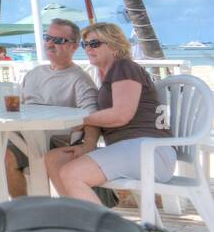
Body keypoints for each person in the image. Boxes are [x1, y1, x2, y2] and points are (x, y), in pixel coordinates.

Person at [0, 19, 98, 209]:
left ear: (73, 47)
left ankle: (27, 216)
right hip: (15, 132)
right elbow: (18, 106)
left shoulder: (80, 80)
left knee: (6, 157)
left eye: (58, 40)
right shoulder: (34, 73)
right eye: (48, 38)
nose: (50, 43)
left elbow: (94, 118)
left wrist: (89, 145)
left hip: (46, 140)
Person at [45, 22, 176, 204]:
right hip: (132, 150)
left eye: (95, 44)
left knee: (72, 173)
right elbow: (101, 119)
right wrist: (88, 144)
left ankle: (103, 229)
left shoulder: (123, 67)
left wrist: (78, 119)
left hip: (149, 151)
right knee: (55, 159)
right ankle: (79, 218)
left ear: (114, 46)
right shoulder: (108, 76)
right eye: (85, 45)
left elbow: (120, 115)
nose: (88, 49)